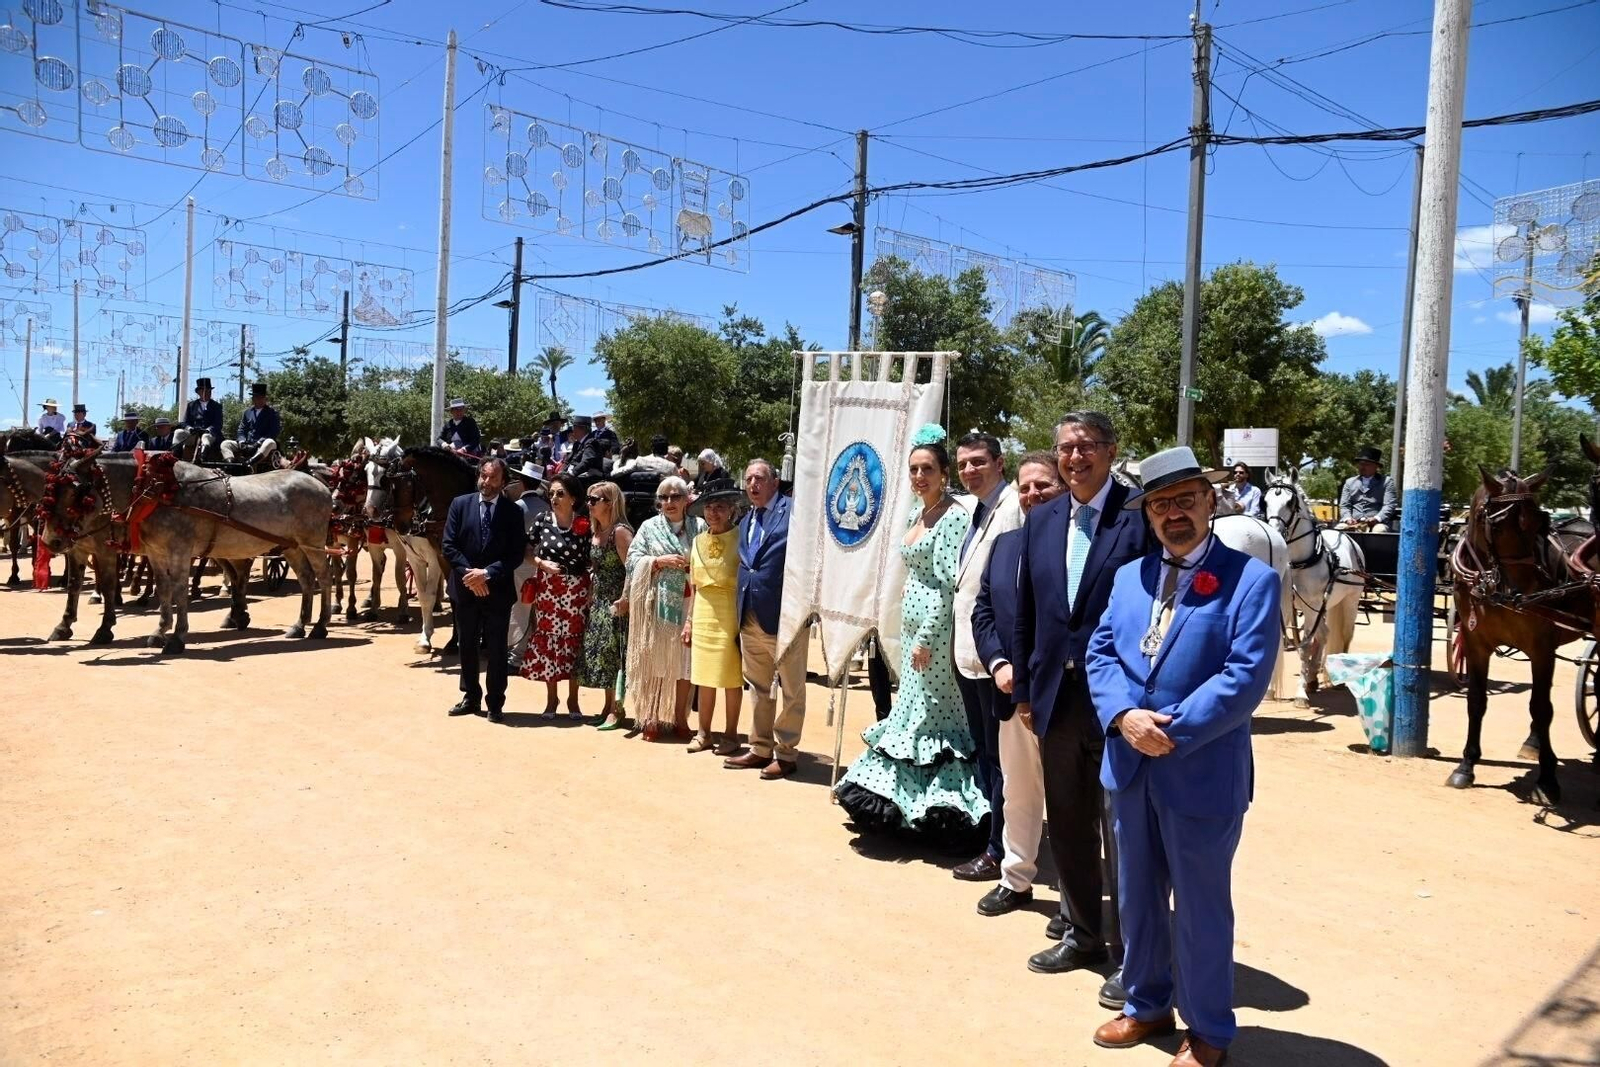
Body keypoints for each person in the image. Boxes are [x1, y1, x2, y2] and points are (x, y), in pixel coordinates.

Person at [1085, 446, 1281, 1067]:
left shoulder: (1253, 581)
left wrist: (1166, 730)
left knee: (1199, 907)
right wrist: (1122, 716)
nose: (1174, 514)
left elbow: (1244, 677)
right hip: (1129, 765)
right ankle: (1145, 1004)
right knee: (1137, 897)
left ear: (1211, 501)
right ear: (1147, 515)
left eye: (1186, 500)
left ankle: (1209, 1032)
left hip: (1198, 771)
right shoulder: (1128, 578)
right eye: (1161, 504)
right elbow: (1100, 655)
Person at [1012, 410, 1149, 1005]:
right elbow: (1027, 610)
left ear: (1111, 451)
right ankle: (1083, 932)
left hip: (1118, 700)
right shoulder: (1041, 519)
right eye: (1065, 448)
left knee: (1122, 829)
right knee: (1066, 820)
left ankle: (1132, 954)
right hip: (1054, 699)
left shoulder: (1139, 516)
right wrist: (1023, 691)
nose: (1073, 458)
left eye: (1087, 446)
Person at [835, 425, 986, 840]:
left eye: (927, 469)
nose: (920, 477)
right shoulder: (915, 514)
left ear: (943, 474)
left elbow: (946, 583)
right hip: (912, 624)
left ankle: (950, 807)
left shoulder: (955, 517)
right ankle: (904, 801)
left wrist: (925, 638)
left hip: (935, 633)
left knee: (933, 716)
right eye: (914, 469)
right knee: (910, 713)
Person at [971, 452, 1063, 917]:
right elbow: (982, 610)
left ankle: (1076, 899)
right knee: (1018, 790)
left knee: (1072, 802)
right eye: (1025, 487)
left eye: (1043, 486)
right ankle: (1016, 879)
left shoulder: (1079, 544)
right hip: (1012, 694)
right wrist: (998, 663)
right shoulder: (1005, 545)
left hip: (1067, 699)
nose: (1032, 495)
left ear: (1063, 488)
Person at [950, 431, 1023, 882]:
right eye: (963, 465)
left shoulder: (1012, 508)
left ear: (999, 463)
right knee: (987, 756)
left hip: (995, 659)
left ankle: (999, 850)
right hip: (969, 655)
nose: (969, 471)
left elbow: (1008, 588)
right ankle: (996, 838)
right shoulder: (977, 510)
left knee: (1002, 762)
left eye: (978, 462)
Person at [722, 459, 807, 780]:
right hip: (750, 614)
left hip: (785, 616)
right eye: (748, 479)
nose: (753, 484)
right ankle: (759, 747)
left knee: (791, 688)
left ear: (774, 482)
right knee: (758, 686)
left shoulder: (795, 513)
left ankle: (786, 754)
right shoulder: (745, 519)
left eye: (759, 478)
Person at [441, 457, 528, 724]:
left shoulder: (513, 512)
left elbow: (515, 554)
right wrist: (471, 576)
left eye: (492, 478)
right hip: (466, 589)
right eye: (483, 476)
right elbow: (449, 545)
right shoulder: (460, 504)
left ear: (503, 481)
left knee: (497, 649)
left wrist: (487, 574)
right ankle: (470, 697)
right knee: (466, 644)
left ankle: (495, 703)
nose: (486, 482)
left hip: (497, 592)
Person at [623, 476, 702, 741]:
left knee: (684, 664)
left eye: (675, 496)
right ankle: (651, 715)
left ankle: (680, 718)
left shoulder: (698, 526)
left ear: (686, 500)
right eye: (664, 497)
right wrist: (657, 561)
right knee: (656, 661)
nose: (669, 502)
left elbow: (707, 559)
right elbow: (633, 561)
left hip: (690, 604)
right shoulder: (648, 527)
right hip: (657, 604)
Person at [682, 477, 745, 756]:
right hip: (704, 610)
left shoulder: (742, 538)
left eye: (720, 506)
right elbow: (694, 586)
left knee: (731, 676)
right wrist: (689, 621)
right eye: (709, 507)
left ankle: (731, 734)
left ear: (732, 509)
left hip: (731, 610)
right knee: (703, 676)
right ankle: (703, 732)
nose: (713, 512)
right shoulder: (696, 541)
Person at [520, 472, 592, 717]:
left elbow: (593, 559)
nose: (554, 498)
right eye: (551, 493)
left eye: (560, 493)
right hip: (549, 589)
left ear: (573, 498)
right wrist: (541, 564)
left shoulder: (585, 523)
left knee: (573, 641)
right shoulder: (542, 520)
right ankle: (552, 701)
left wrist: (591, 585)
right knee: (550, 640)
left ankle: (573, 701)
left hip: (577, 591)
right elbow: (527, 549)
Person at [582, 481, 633, 731]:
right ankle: (607, 706)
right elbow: (596, 570)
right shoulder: (597, 531)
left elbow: (632, 570)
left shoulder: (620, 532)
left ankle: (617, 709)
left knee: (616, 655)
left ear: (610, 503)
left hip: (617, 603)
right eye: (588, 500)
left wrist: (625, 599)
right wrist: (591, 594)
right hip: (600, 602)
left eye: (594, 500)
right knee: (603, 655)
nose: (589, 504)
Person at [508, 461, 551, 664]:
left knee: (520, 608)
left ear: (522, 483)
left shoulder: (515, 508)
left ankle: (518, 655)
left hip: (520, 565)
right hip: (542, 564)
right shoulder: (547, 508)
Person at [1338, 446, 1398, 530]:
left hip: (1377, 523)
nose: (1362, 467)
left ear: (1376, 466)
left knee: (1380, 530)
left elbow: (1389, 505)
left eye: (1367, 464)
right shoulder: (1349, 482)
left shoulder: (1387, 482)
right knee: (1339, 529)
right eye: (1361, 464)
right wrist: (1348, 518)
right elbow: (1344, 505)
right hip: (1354, 523)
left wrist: (1377, 518)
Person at [224, 383, 281, 461]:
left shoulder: (272, 413)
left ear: (265, 398)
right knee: (225, 444)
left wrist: (258, 443)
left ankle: (251, 463)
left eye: (262, 397)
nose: (260, 399)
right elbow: (241, 429)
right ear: (253, 399)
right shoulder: (247, 412)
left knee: (270, 442)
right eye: (257, 397)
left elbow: (273, 432)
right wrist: (242, 441)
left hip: (263, 445)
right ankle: (231, 464)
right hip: (247, 444)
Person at [612, 434, 678, 479]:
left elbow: (617, 473)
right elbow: (678, 484)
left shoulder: (640, 461)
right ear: (667, 449)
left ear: (651, 448)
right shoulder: (671, 467)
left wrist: (614, 470)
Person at [183, 377, 224, 443]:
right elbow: (185, 422)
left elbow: (218, 424)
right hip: (194, 434)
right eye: (204, 391)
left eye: (209, 391)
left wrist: (208, 430)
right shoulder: (191, 405)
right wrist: (190, 428)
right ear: (199, 392)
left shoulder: (216, 406)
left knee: (205, 437)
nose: (208, 393)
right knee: (178, 432)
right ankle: (175, 452)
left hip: (211, 435)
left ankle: (204, 453)